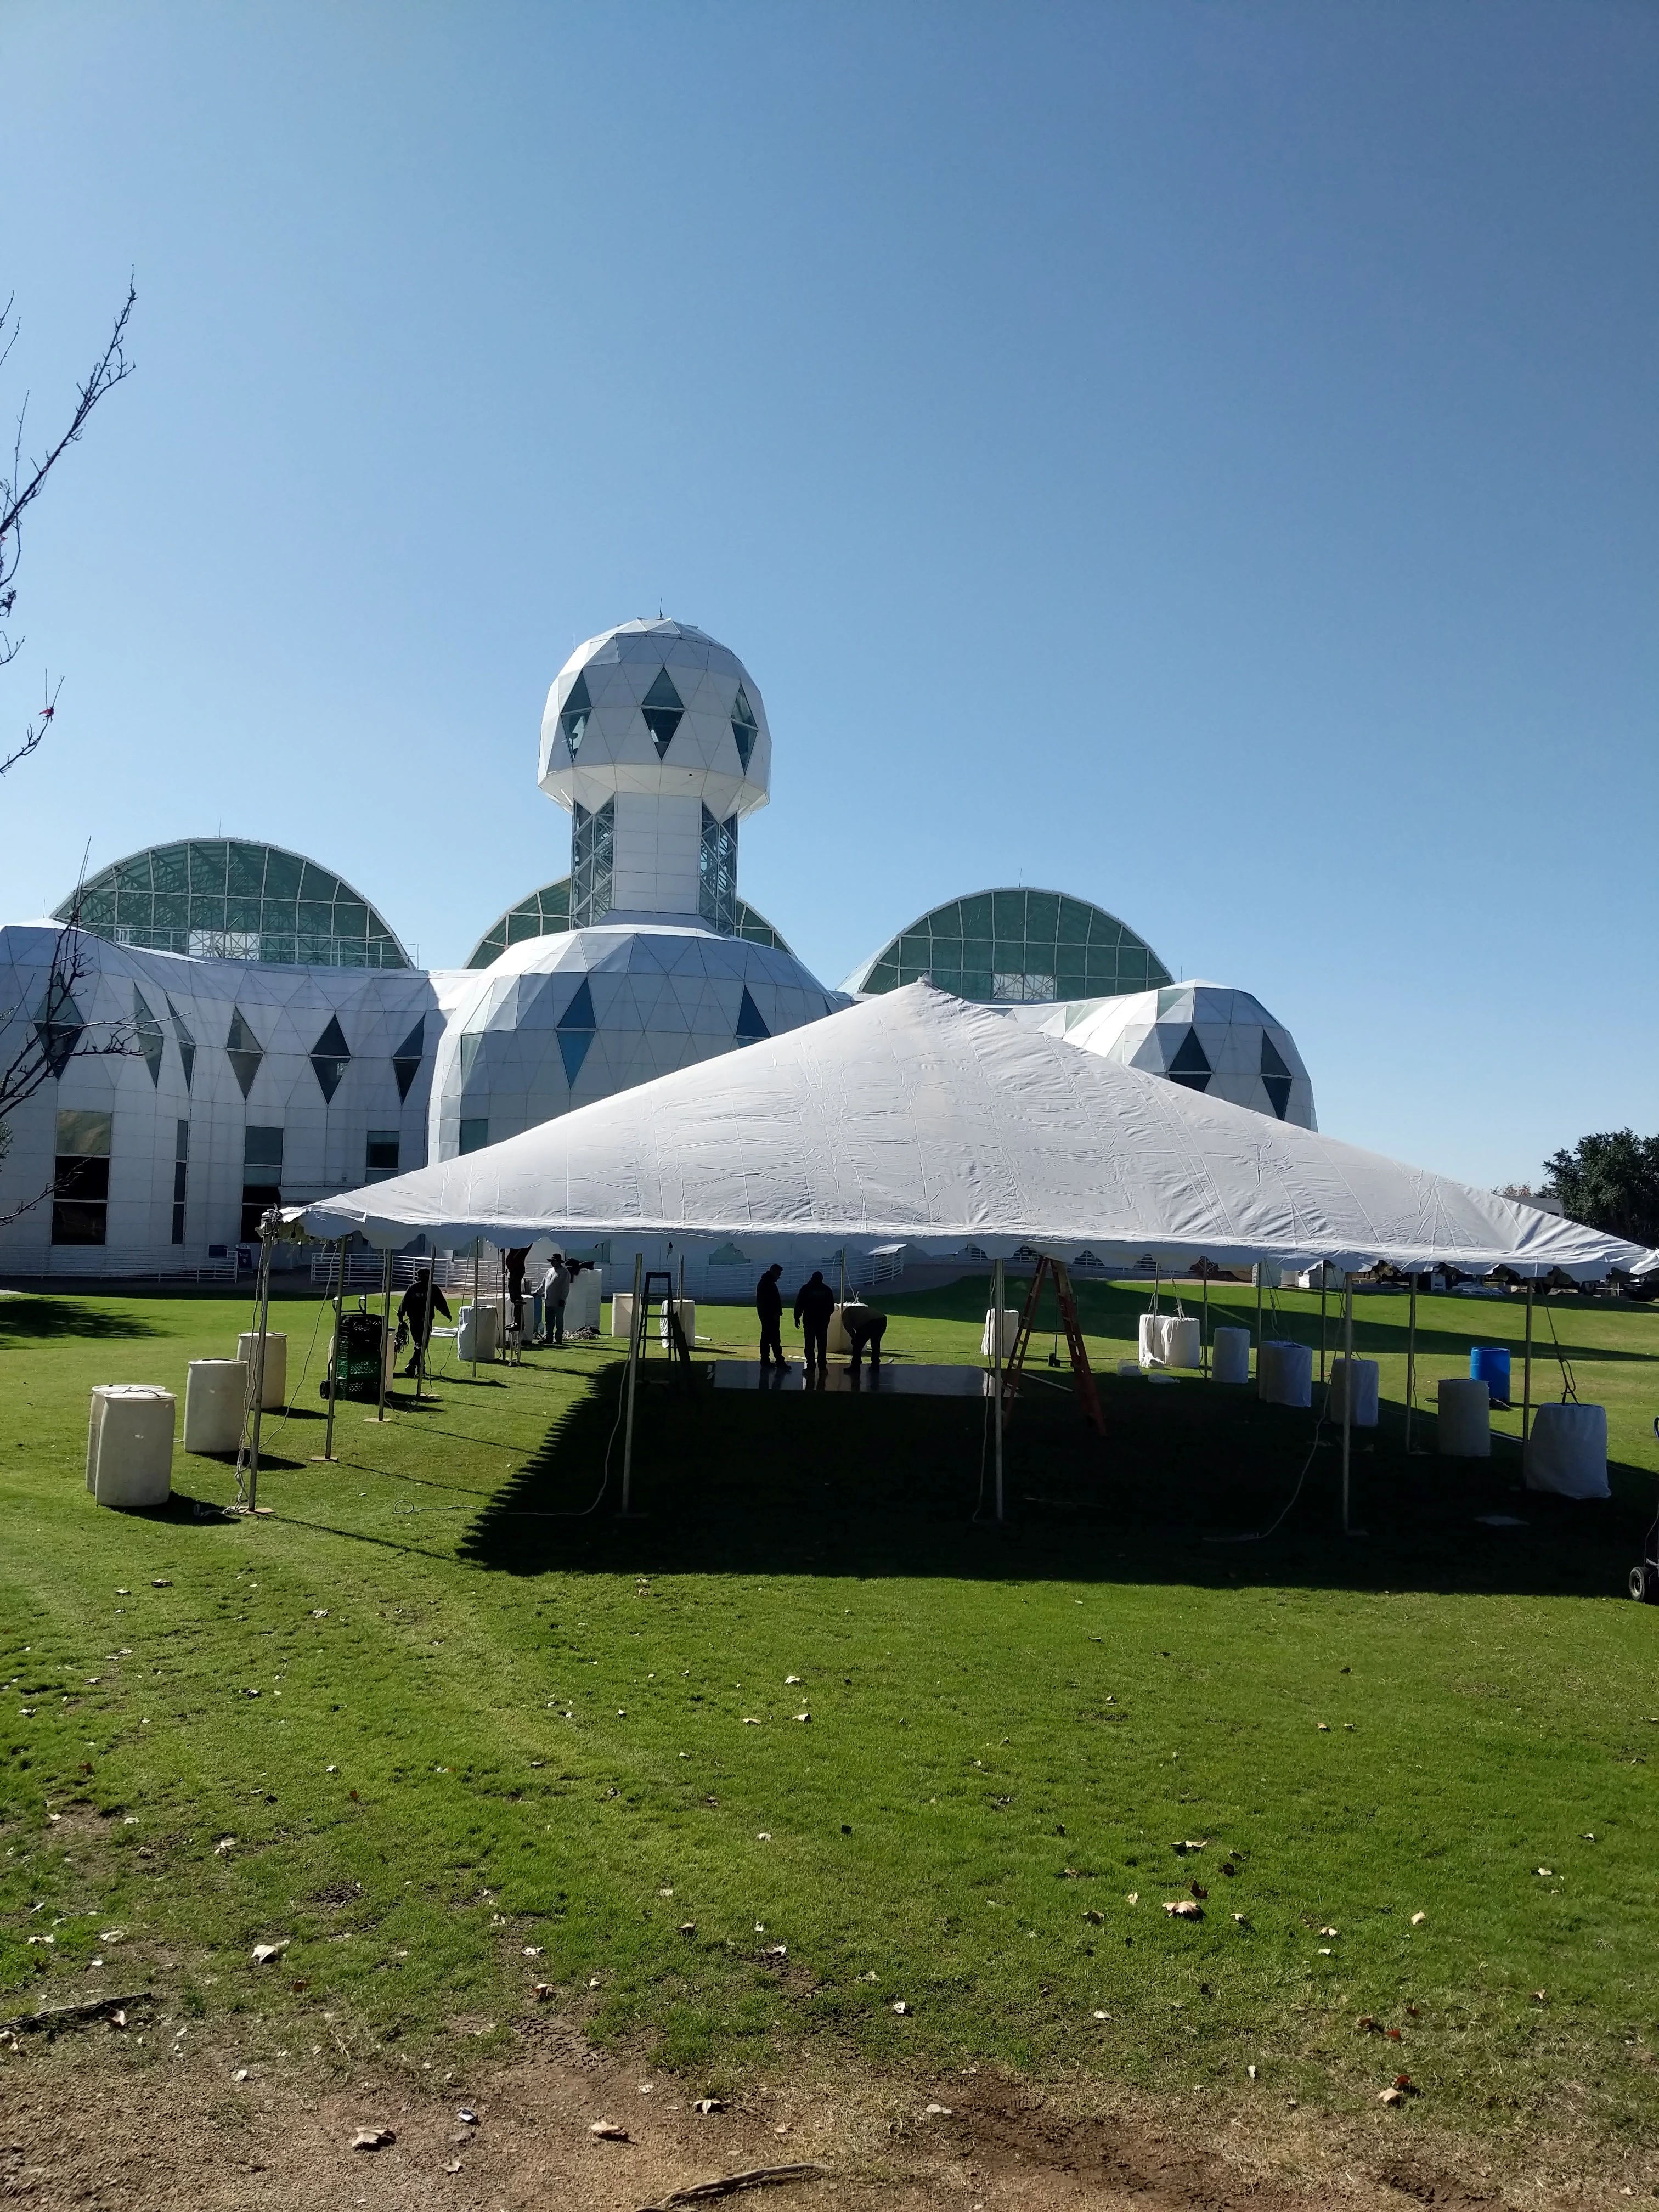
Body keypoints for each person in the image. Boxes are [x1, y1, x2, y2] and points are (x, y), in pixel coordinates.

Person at [397, 1266, 450, 1377]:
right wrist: (447, 1314)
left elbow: (404, 1303)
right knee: (422, 1345)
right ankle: (413, 1364)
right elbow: (441, 1303)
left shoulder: (412, 1288)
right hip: (426, 1321)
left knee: (419, 1344)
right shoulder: (432, 1288)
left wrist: (401, 1316)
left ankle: (421, 1368)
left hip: (414, 1321)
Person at [793, 1268, 836, 1378]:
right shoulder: (827, 1290)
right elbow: (831, 1307)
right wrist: (825, 1316)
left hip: (809, 1321)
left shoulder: (806, 1289)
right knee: (822, 1345)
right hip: (822, 1322)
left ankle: (811, 1367)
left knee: (810, 1344)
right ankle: (822, 1367)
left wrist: (797, 1317)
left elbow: (799, 1305)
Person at [756, 1262, 786, 1371]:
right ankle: (778, 1360)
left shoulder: (765, 1283)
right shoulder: (768, 1284)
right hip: (770, 1316)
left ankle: (767, 1359)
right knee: (774, 1338)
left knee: (767, 1337)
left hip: (767, 1315)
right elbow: (770, 1301)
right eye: (778, 1274)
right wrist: (774, 1313)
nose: (779, 1277)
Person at [843, 1304, 888, 1373]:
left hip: (869, 1322)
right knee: (876, 1343)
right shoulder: (856, 1310)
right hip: (881, 1319)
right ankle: (875, 1363)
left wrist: (854, 1337)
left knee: (857, 1346)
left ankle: (855, 1365)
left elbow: (848, 1326)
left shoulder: (846, 1315)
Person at [543, 1251, 572, 1346]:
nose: (552, 1262)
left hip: (558, 1301)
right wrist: (537, 1293)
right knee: (549, 1321)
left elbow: (566, 1287)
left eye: (554, 1261)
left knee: (559, 1320)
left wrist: (563, 1299)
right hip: (548, 1301)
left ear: (559, 1262)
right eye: (551, 1261)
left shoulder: (565, 1273)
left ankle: (558, 1338)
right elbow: (544, 1285)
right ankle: (549, 1338)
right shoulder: (549, 1271)